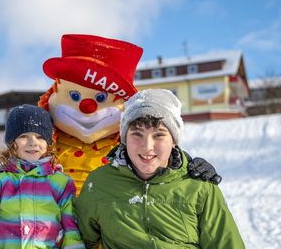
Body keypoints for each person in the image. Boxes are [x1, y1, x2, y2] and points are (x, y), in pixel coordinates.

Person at [0, 34, 221, 207]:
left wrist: (185, 167)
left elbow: (156, 162)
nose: (87, 107)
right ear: (52, 95)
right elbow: (14, 185)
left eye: (101, 98)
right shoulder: (42, 144)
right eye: (75, 96)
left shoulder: (130, 146)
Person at [75, 89, 244, 248]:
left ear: (174, 140)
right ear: (124, 137)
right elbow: (77, 241)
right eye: (137, 133)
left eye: (159, 135)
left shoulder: (199, 186)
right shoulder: (99, 183)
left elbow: (226, 244)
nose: (147, 146)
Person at [0, 105, 85, 249]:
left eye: (40, 136)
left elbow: (71, 229)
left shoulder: (60, 183)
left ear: (49, 143)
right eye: (23, 136)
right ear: (11, 143)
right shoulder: (1, 180)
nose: (33, 142)